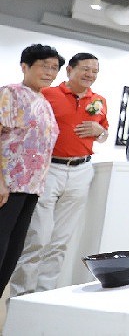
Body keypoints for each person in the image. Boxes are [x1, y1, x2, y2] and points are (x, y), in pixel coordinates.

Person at [10, 52, 109, 296]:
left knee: (61, 241)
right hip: (48, 168)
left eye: (95, 71)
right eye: (85, 69)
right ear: (69, 70)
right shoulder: (48, 94)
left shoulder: (99, 100)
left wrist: (99, 131)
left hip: (82, 170)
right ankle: (22, 297)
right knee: (38, 238)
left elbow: (105, 134)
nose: (90, 75)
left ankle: (45, 294)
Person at [0, 44, 62, 296]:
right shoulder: (10, 93)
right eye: (44, 66)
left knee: (13, 250)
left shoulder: (44, 101)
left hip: (32, 186)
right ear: (25, 67)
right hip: (9, 183)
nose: (49, 72)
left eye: (54, 68)